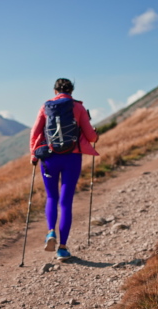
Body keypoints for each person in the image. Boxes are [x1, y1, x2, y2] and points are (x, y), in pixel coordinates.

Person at [29, 78, 99, 261]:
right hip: (72, 158)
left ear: (54, 91)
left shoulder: (46, 107)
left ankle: (51, 232)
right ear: (71, 91)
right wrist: (95, 133)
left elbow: (35, 133)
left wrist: (33, 155)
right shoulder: (78, 107)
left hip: (50, 158)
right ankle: (62, 248)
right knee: (66, 202)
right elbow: (90, 136)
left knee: (52, 197)